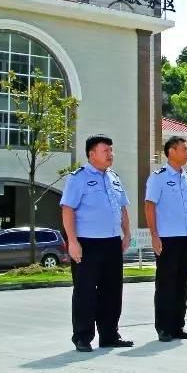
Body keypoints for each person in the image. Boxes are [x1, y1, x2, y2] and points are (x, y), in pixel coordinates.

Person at [61, 135, 133, 352]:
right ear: (91, 154)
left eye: (111, 150)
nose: (110, 154)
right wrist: (72, 241)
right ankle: (83, 337)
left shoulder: (114, 178)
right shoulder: (78, 178)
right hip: (87, 243)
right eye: (105, 151)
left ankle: (109, 334)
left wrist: (127, 234)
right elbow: (67, 209)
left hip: (112, 242)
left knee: (112, 291)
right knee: (85, 292)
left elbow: (122, 208)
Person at [144, 136, 187, 342]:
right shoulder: (158, 177)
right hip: (167, 238)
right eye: (184, 149)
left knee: (182, 284)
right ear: (171, 152)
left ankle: (178, 326)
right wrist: (154, 235)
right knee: (166, 284)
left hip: (186, 238)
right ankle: (164, 328)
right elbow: (149, 206)